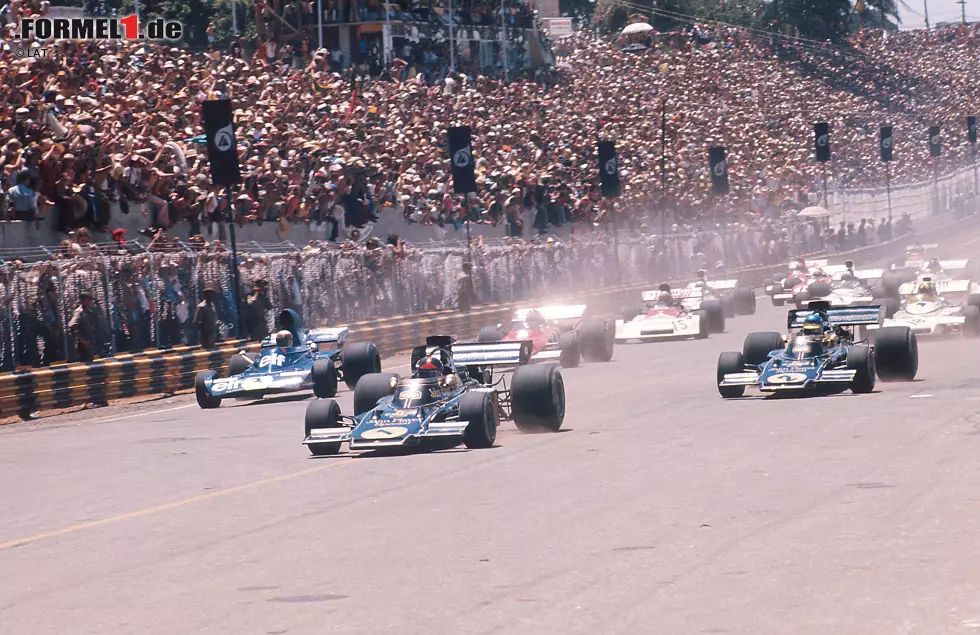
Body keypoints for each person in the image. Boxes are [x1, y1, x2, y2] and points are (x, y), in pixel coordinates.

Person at [68, 290, 104, 362]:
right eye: (89, 301)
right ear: (84, 301)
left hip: (89, 344)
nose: (90, 303)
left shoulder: (88, 312)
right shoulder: (79, 312)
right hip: (83, 346)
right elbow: (72, 325)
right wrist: (82, 341)